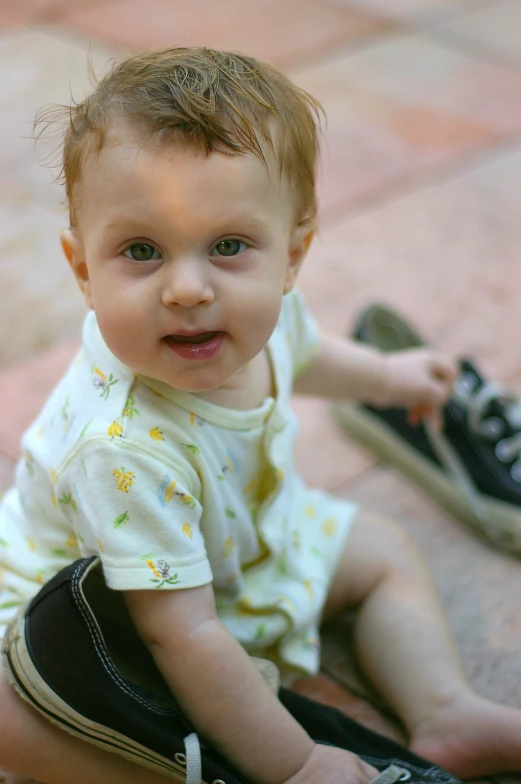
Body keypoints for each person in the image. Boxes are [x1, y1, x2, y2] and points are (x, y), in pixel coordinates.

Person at [1, 46, 521, 784]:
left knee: (379, 550)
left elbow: (306, 354)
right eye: (141, 250)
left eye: (228, 245)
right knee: (28, 725)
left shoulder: (262, 316)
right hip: (116, 626)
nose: (187, 288)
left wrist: (386, 377)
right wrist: (296, 764)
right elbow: (181, 637)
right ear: (83, 266)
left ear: (292, 255)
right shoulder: (118, 447)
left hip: (229, 559)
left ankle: (446, 712)